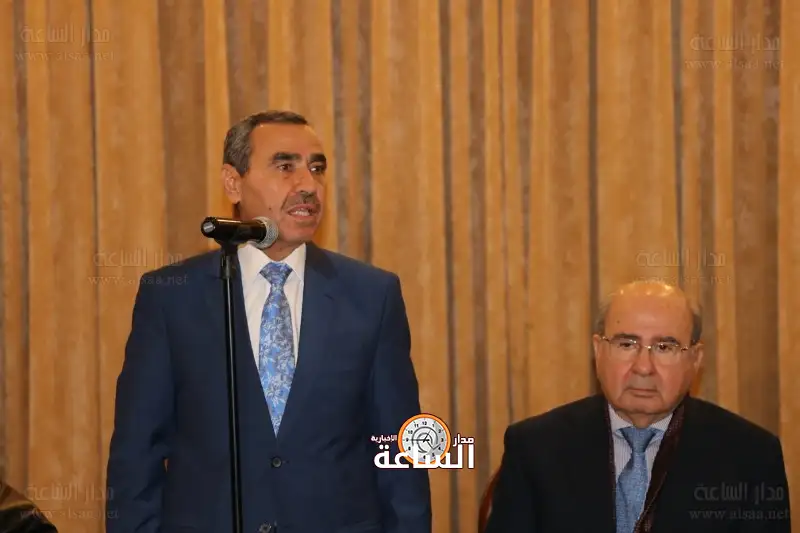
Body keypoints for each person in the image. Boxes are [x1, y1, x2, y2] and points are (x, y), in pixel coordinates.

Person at [106, 110, 431, 533]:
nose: (308, 185)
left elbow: (400, 454)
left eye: (317, 168)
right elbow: (136, 455)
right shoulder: (171, 297)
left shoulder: (372, 296)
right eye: (285, 166)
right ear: (233, 182)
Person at [484, 280, 791, 533]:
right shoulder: (535, 448)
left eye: (665, 347)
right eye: (626, 344)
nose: (643, 367)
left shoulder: (751, 457)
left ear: (695, 360)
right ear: (598, 351)